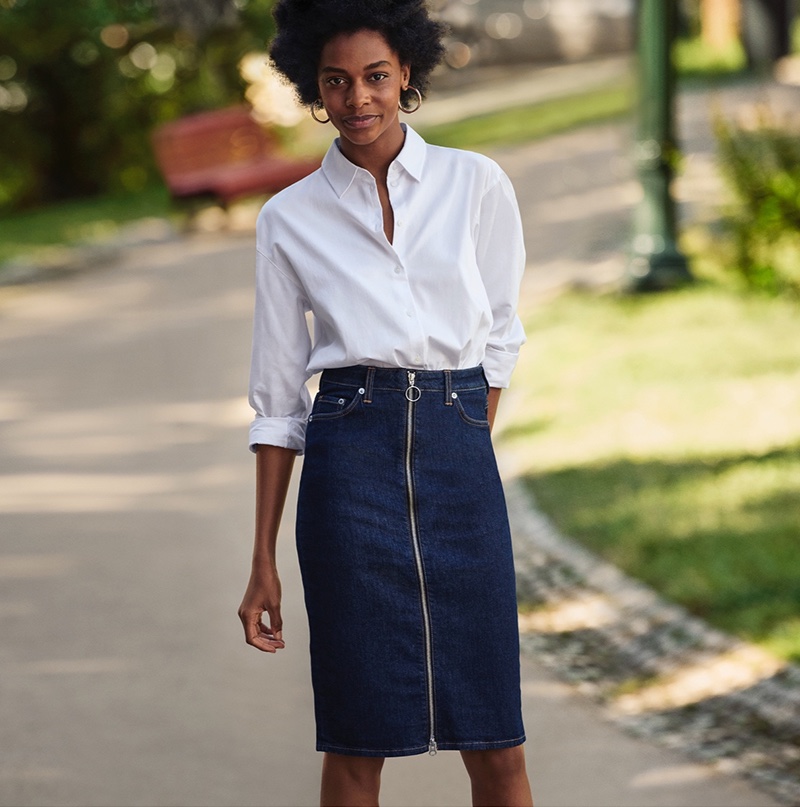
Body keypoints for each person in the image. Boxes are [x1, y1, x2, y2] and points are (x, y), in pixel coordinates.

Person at [237, 1, 533, 804]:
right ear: (314, 88)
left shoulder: (475, 184)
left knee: (496, 735)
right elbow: (276, 399)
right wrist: (263, 558)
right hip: (349, 468)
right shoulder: (288, 220)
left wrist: (466, 431)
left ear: (406, 72)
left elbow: (502, 332)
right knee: (357, 740)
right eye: (336, 82)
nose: (358, 98)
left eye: (374, 76)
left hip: (458, 458)